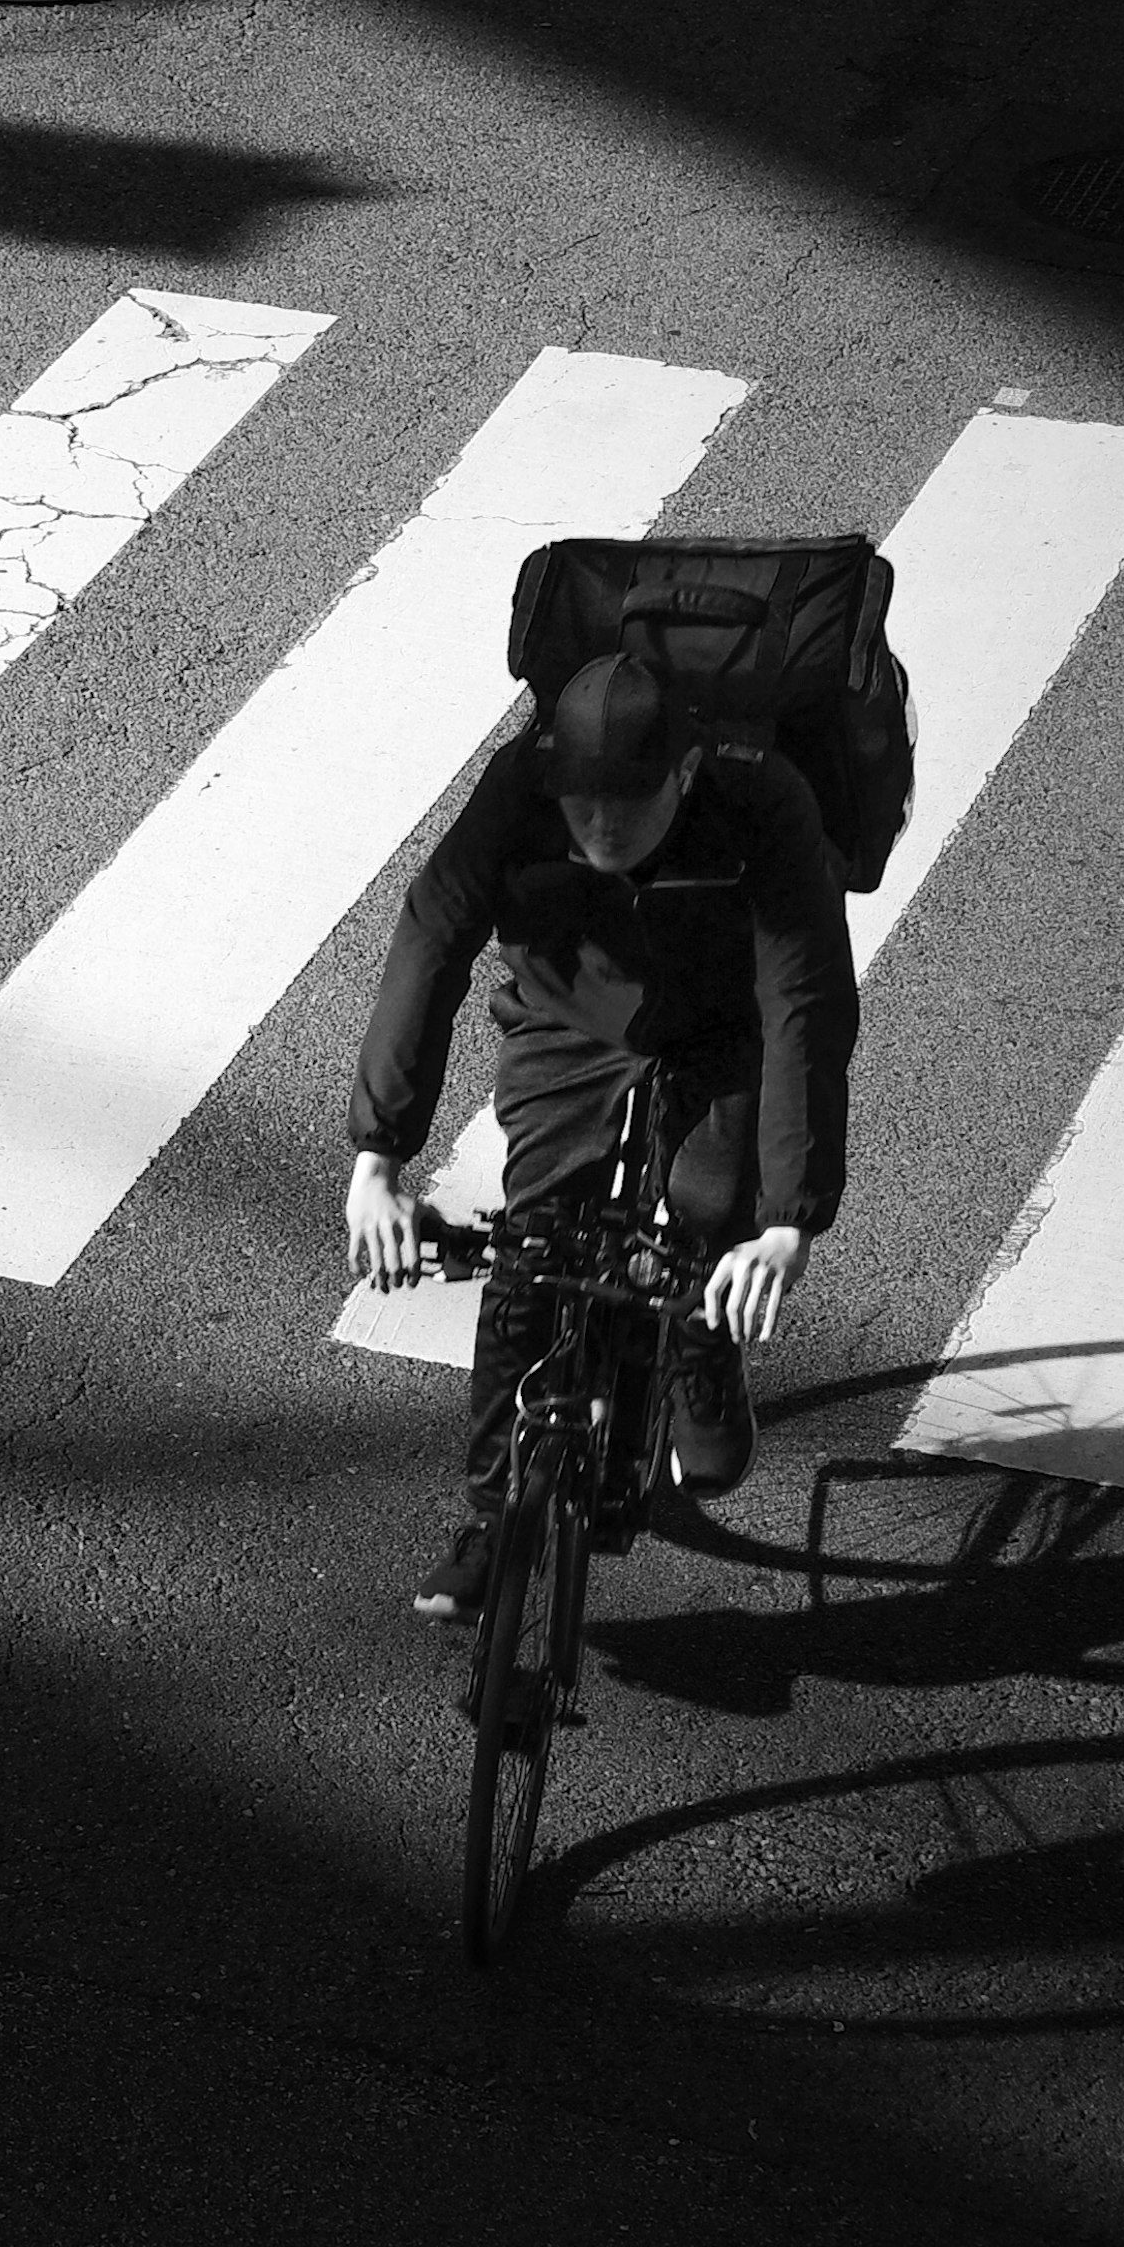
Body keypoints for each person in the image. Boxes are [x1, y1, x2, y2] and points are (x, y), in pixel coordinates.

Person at [343, 645, 857, 1617]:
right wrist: (380, 1154)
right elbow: (429, 937)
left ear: (689, 772)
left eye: (630, 803)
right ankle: (495, 1522)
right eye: (584, 804)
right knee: (533, 1253)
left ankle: (702, 1346)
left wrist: (787, 1221)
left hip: (723, 1027)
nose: (603, 826)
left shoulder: (765, 804)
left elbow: (803, 1007)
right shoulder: (518, 787)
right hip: (567, 1017)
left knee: (708, 1214)